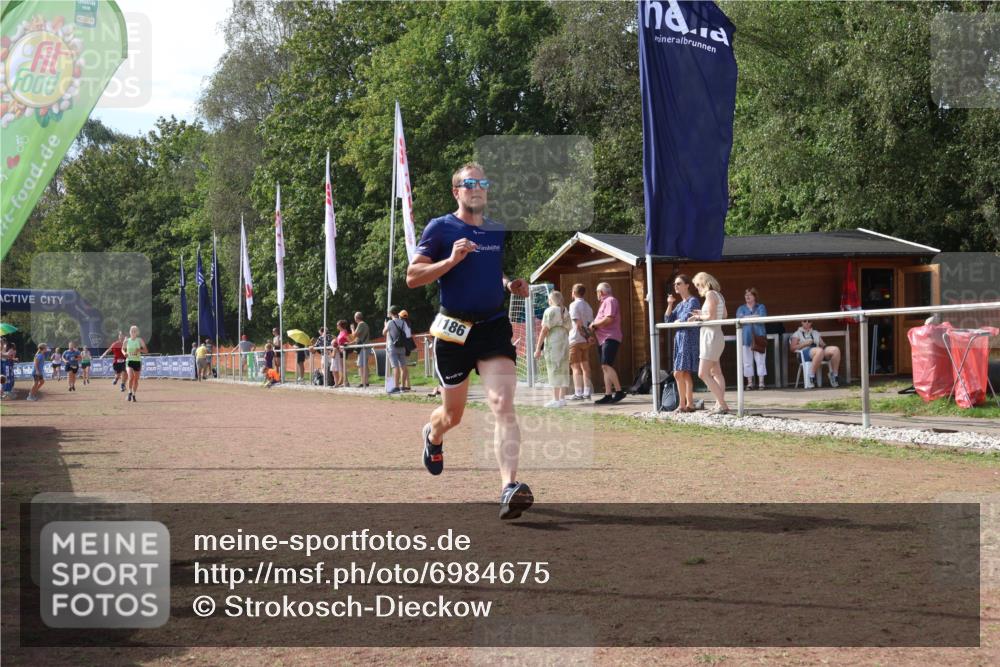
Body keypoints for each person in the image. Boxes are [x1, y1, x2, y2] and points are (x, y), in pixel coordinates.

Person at [406, 161, 533, 520]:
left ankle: (509, 487)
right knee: (453, 416)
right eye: (470, 184)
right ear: (456, 191)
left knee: (502, 403)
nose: (477, 189)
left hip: (492, 327)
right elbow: (413, 277)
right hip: (454, 331)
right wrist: (450, 259)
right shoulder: (441, 227)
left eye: (483, 183)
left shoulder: (495, 230)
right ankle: (433, 435)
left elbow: (491, 270)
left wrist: (508, 284)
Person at [691, 272, 729, 414]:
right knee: (716, 372)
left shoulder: (710, 294)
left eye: (698, 285)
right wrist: (702, 313)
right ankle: (719, 404)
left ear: (703, 283)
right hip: (717, 335)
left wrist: (698, 317)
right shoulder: (719, 295)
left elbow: (711, 317)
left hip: (710, 336)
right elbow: (724, 315)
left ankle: (722, 404)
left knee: (702, 373)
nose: (697, 288)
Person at [664, 273, 701, 413]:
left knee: (678, 373)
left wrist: (678, 321)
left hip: (688, 338)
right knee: (684, 373)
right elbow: (668, 319)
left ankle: (682, 404)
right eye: (675, 284)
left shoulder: (693, 301)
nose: (676, 286)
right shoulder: (680, 304)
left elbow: (687, 318)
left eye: (679, 283)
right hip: (680, 338)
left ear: (687, 285)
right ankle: (689, 404)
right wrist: (670, 304)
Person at [590, 282, 625, 404]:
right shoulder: (605, 302)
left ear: (601, 292)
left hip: (610, 337)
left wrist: (594, 325)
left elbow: (609, 319)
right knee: (605, 367)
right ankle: (608, 394)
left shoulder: (610, 300)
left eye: (596, 292)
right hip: (603, 338)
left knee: (606, 365)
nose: (596, 294)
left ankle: (619, 391)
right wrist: (593, 329)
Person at [535, 290, 571, 407]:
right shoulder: (565, 310)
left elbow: (544, 330)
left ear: (551, 300)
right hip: (564, 341)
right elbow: (569, 327)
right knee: (563, 369)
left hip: (553, 342)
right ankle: (562, 399)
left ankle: (555, 399)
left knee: (554, 368)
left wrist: (538, 348)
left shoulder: (550, 311)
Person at [790, 319, 841, 389]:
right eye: (805, 321)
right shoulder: (797, 333)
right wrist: (804, 344)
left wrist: (826, 349)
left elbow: (823, 345)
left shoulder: (815, 333)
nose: (807, 323)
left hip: (818, 352)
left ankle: (834, 376)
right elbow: (792, 348)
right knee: (819, 351)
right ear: (801, 322)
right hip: (804, 354)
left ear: (811, 322)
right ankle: (811, 376)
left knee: (835, 349)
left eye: (809, 321)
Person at [735, 287, 769, 390]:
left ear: (755, 296)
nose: (747, 297)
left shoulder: (761, 306)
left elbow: (762, 318)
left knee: (760, 360)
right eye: (746, 295)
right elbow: (739, 319)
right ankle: (749, 383)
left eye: (749, 295)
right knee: (747, 361)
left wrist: (746, 318)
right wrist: (755, 317)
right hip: (746, 338)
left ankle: (761, 383)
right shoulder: (741, 308)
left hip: (759, 337)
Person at [567, 283, 594, 401]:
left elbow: (578, 323)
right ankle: (587, 392)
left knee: (575, 367)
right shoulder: (588, 306)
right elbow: (590, 324)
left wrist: (586, 336)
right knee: (585, 366)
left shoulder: (573, 305)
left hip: (575, 339)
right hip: (585, 341)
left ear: (573, 292)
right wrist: (588, 337)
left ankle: (578, 393)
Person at [383, 306, 409, 394]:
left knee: (395, 367)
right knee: (403, 366)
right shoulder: (403, 322)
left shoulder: (390, 322)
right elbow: (407, 334)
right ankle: (403, 386)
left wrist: (385, 325)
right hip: (402, 347)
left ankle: (396, 387)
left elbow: (383, 333)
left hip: (392, 347)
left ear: (390, 313)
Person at [123, 325, 148, 402]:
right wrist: (124, 353)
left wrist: (139, 350)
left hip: (137, 361)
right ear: (130, 332)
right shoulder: (127, 341)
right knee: (131, 377)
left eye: (134, 331)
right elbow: (122, 349)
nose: (133, 332)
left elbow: (146, 351)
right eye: (132, 331)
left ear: (137, 333)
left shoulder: (139, 340)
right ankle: (129, 392)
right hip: (129, 361)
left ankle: (133, 394)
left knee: (136, 379)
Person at [351, 312, 371, 388]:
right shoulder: (365, 324)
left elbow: (354, 335)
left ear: (356, 318)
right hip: (366, 347)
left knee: (361, 365)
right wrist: (350, 343)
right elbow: (358, 338)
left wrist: (352, 328)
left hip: (363, 347)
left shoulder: (360, 324)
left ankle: (363, 382)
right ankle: (366, 382)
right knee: (365, 365)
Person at [398, 310, 414, 391]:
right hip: (408, 346)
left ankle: (404, 385)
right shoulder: (408, 323)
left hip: (404, 346)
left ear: (400, 316)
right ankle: (408, 384)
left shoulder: (402, 324)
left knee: (403, 367)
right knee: (405, 366)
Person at [332, 320, 351, 387]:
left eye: (337, 325)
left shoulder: (344, 332)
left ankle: (346, 382)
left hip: (343, 351)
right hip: (340, 351)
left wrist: (346, 343)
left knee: (343, 367)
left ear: (340, 326)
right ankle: (345, 382)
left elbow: (349, 341)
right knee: (342, 367)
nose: (337, 326)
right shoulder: (340, 332)